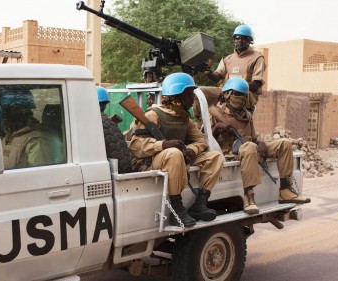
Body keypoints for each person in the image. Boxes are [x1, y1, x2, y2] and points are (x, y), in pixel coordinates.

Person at [129, 72, 224, 226]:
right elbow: (136, 145)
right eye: (188, 95)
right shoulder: (153, 114)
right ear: (175, 96)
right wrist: (163, 145)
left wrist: (192, 150)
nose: (192, 99)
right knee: (174, 153)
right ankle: (177, 209)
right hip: (150, 162)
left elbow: (200, 140)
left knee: (215, 157)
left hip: (176, 160)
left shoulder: (184, 118)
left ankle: (200, 204)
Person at [209, 77, 311, 215]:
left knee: (284, 143)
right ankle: (249, 197)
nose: (239, 98)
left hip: (249, 148)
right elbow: (204, 140)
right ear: (226, 94)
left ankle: (286, 190)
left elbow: (254, 138)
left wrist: (261, 143)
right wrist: (218, 127)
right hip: (230, 153)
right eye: (236, 94)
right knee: (249, 147)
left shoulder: (246, 115)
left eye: (243, 95)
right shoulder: (215, 113)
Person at [205, 24, 266, 113]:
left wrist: (233, 89)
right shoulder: (228, 59)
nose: (240, 40)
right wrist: (207, 71)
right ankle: (199, 123)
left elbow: (255, 85)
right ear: (234, 40)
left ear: (249, 41)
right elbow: (217, 77)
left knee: (228, 113)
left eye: (244, 38)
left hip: (244, 97)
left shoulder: (257, 58)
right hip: (226, 94)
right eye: (237, 38)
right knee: (198, 93)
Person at [1, 91, 58, 169]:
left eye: (11, 110)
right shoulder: (9, 136)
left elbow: (42, 176)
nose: (5, 114)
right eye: (5, 109)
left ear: (25, 111)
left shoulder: (37, 141)